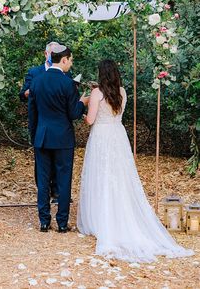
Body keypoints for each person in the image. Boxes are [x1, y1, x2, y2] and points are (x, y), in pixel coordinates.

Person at [77, 59, 194, 263]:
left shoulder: (96, 93)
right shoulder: (122, 92)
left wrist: (82, 103)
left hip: (101, 137)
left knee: (101, 176)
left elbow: (90, 120)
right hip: (118, 136)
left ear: (101, 74)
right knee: (120, 177)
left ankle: (101, 220)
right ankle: (119, 213)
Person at [28, 45, 89, 233]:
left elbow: (33, 114)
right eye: (70, 60)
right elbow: (73, 114)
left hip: (42, 137)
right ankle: (62, 223)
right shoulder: (68, 83)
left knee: (43, 179)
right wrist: (82, 102)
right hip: (63, 138)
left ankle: (44, 222)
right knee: (64, 180)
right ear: (63, 60)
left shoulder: (37, 82)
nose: (70, 64)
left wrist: (34, 137)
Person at [19, 42, 71, 202]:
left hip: (60, 124)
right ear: (45, 53)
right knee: (42, 162)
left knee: (59, 161)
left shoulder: (65, 73)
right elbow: (22, 94)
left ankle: (57, 192)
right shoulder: (34, 72)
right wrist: (31, 92)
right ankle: (44, 191)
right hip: (40, 122)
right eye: (52, 52)